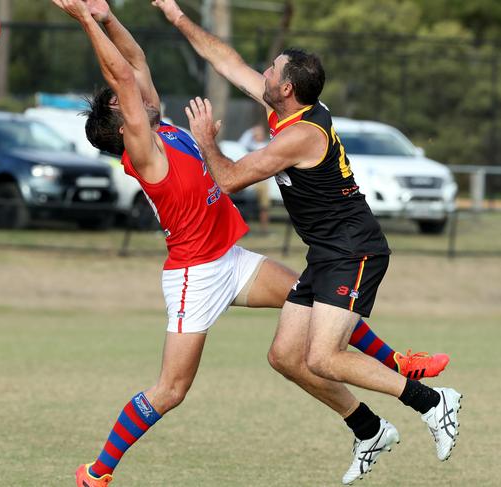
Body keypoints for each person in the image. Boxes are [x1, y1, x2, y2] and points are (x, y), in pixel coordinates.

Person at [51, 1, 450, 485]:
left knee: (307, 318)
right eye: (122, 102)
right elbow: (120, 77)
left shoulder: (167, 127)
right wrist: (84, 21)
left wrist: (109, 17)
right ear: (122, 126)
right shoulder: (144, 149)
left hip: (232, 259)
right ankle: (98, 472)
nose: (132, 93)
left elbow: (133, 65)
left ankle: (375, 415)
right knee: (172, 389)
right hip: (194, 274)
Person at [238, 124, 271, 234]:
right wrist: (252, 131)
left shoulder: (266, 145)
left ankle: (264, 230)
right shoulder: (249, 145)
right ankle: (246, 229)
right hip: (251, 180)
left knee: (264, 206)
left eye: (260, 133)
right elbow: (241, 143)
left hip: (263, 181)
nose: (258, 135)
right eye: (256, 133)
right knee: (247, 205)